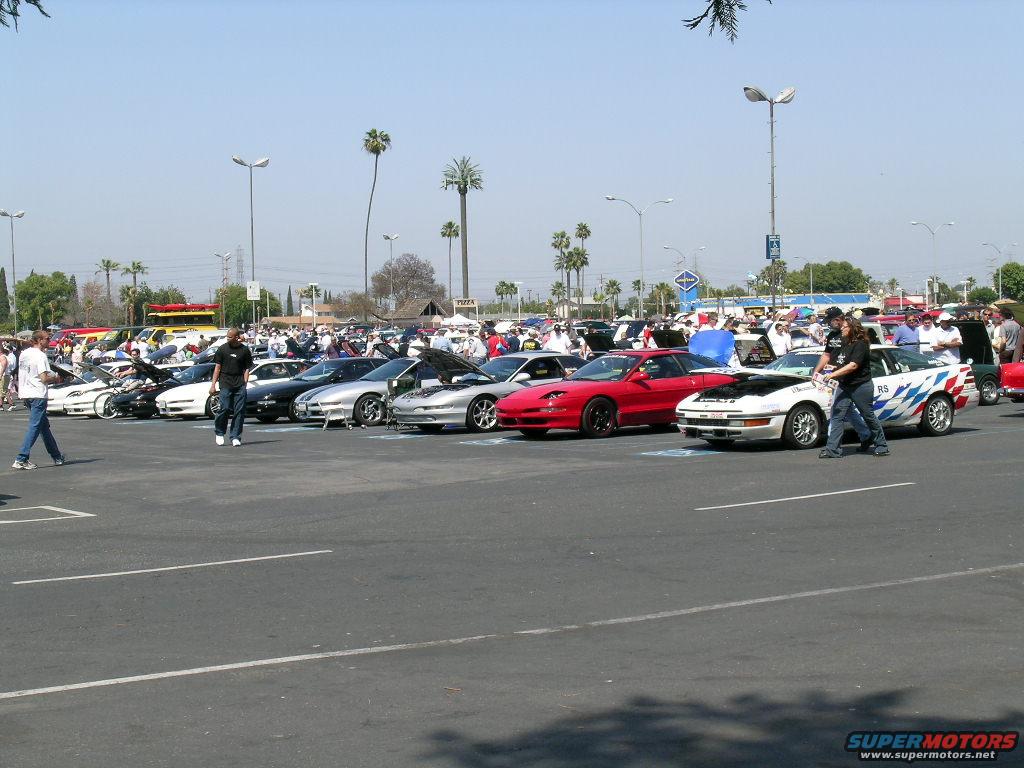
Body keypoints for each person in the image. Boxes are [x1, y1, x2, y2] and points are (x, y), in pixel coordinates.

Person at [819, 317, 889, 458]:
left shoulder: (861, 344)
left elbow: (853, 365)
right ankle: (832, 449)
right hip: (844, 385)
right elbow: (841, 361)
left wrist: (833, 374)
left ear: (852, 328)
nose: (841, 329)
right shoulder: (844, 342)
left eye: (844, 327)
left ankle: (881, 445)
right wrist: (829, 369)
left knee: (867, 414)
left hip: (860, 385)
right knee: (837, 415)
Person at [812, 307, 873, 452]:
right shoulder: (832, 335)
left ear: (838, 319)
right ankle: (866, 434)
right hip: (836, 378)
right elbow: (827, 355)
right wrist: (816, 371)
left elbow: (854, 361)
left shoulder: (850, 334)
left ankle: (832, 447)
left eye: (830, 321)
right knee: (845, 410)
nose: (828, 324)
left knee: (837, 411)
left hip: (852, 379)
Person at [12, 331, 66, 469]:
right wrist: (56, 378)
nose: (49, 340)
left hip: (26, 393)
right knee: (35, 426)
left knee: (43, 427)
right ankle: (21, 458)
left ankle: (57, 456)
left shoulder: (24, 354)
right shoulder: (41, 356)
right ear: (39, 340)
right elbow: (44, 378)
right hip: (38, 394)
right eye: (47, 338)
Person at [209, 328, 253, 447]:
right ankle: (219, 432)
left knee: (239, 410)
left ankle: (235, 436)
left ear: (236, 337)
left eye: (230, 337)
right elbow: (217, 368)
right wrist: (213, 385)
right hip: (225, 381)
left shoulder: (244, 350)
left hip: (239, 382)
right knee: (224, 408)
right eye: (227, 336)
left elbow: (247, 368)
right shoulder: (222, 349)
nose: (228, 338)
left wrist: (245, 382)